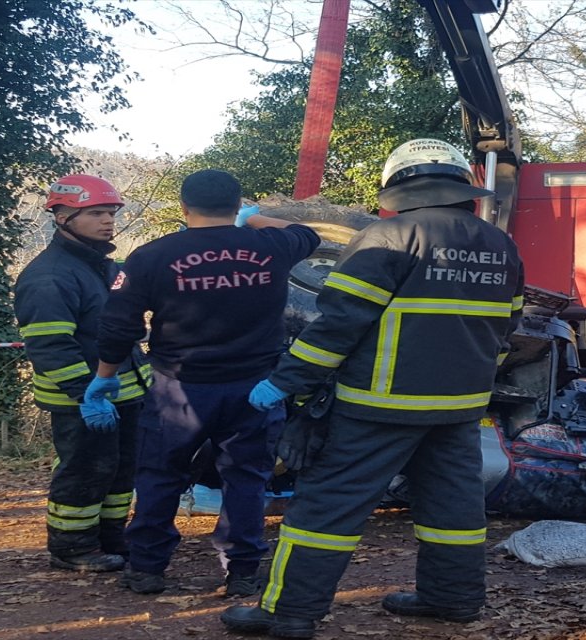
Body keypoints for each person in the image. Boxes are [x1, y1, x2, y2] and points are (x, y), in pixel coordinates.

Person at [220, 138, 525, 639]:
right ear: (459, 187)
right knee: (454, 508)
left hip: (377, 404)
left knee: (325, 507)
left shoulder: (391, 235)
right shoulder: (500, 245)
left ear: (401, 187)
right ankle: (453, 599)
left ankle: (289, 613)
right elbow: (504, 330)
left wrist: (285, 382)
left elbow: (339, 323)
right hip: (459, 407)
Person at [87, 169, 321, 597]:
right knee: (247, 479)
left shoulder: (152, 256)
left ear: (183, 207)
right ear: (236, 205)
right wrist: (252, 219)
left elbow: (118, 327)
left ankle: (147, 569)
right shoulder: (272, 246)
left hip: (179, 390)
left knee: (159, 476)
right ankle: (242, 572)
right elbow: (306, 232)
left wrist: (103, 379)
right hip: (255, 389)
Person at [13, 175, 152, 573]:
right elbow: (50, 345)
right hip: (81, 400)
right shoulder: (49, 276)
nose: (107, 221)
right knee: (85, 471)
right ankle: (71, 546)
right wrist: (86, 394)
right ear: (62, 216)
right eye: (95, 213)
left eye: (110, 212)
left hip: (123, 393)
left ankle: (110, 539)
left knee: (120, 470)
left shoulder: (100, 266)